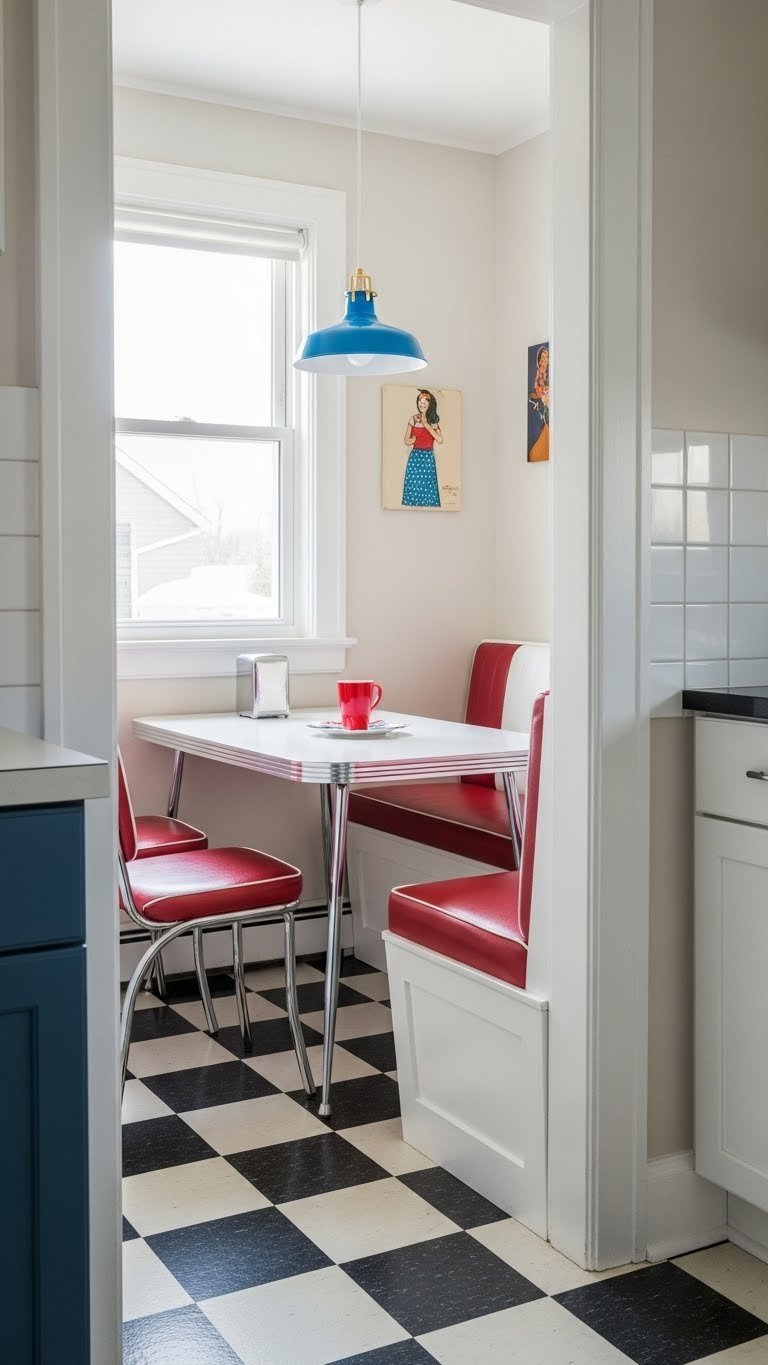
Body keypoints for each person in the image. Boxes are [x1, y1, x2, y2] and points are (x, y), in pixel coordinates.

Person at [402, 390, 443, 507]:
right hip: (415, 458)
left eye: (425, 401)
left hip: (428, 458)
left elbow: (440, 440)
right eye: (420, 401)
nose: (422, 404)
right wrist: (413, 439)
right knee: (413, 486)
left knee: (428, 487)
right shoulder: (413, 419)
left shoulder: (433, 421)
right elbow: (406, 440)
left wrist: (427, 425)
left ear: (430, 404)